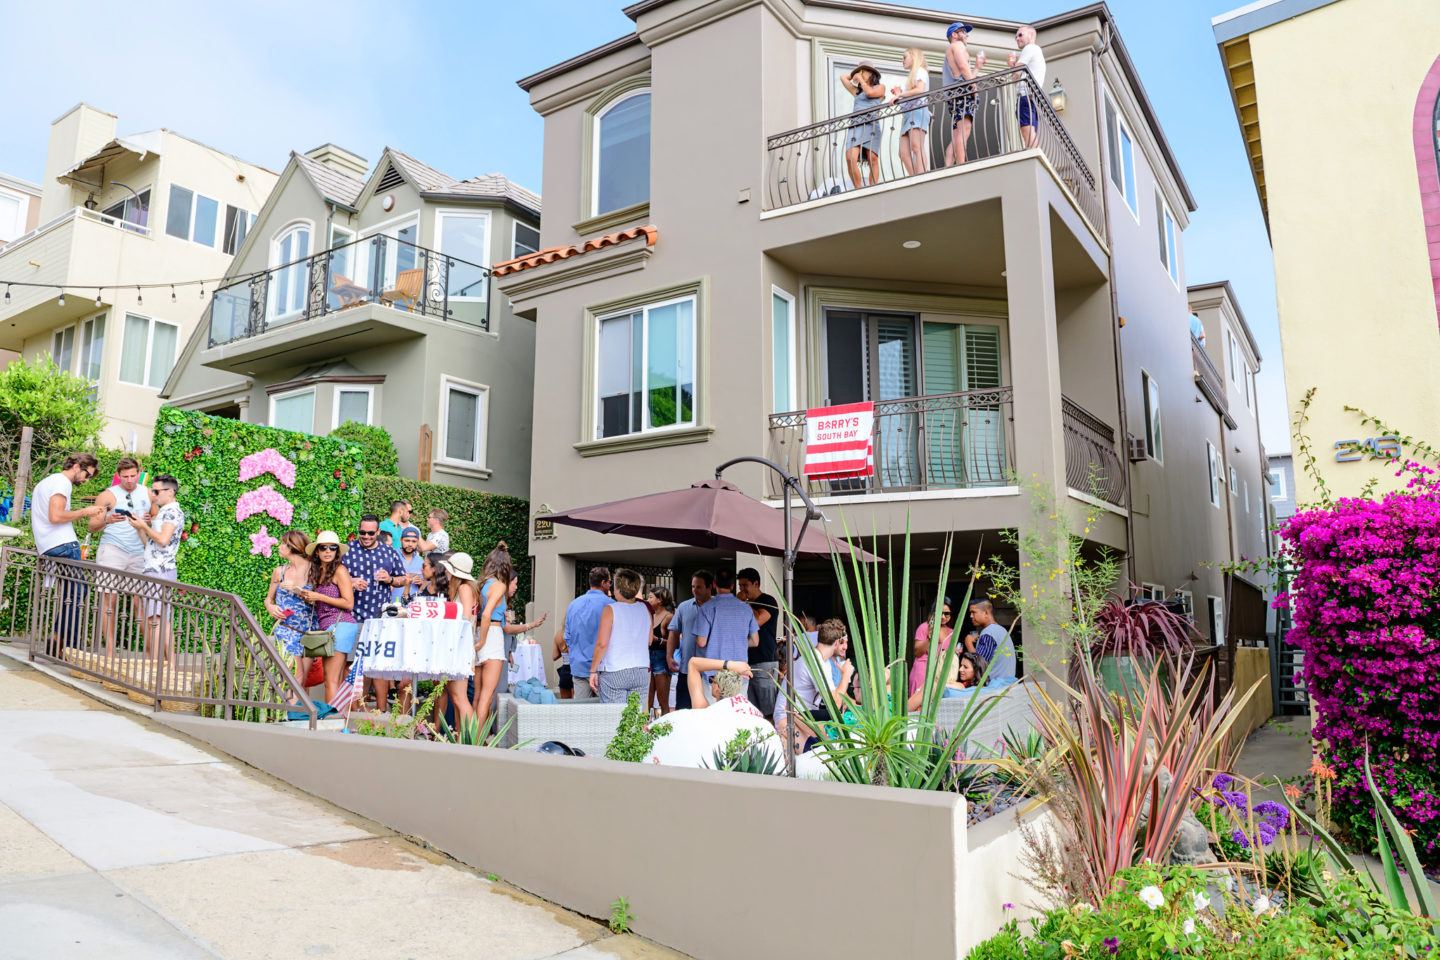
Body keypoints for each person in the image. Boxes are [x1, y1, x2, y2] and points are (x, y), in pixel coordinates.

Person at [30, 453, 102, 655]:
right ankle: (65, 645)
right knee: (78, 594)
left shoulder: (47, 481)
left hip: (48, 545)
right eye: (87, 474)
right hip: (63, 544)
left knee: (74, 593)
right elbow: (56, 516)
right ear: (78, 466)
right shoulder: (63, 483)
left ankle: (58, 640)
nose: (86, 480)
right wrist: (85, 512)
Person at [473, 543, 546, 722]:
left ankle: (470, 739)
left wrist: (478, 639)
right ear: (505, 566)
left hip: (479, 631)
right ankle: (477, 743)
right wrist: (482, 641)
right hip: (491, 635)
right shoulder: (498, 585)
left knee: (477, 695)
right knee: (487, 696)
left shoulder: (481, 584)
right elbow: (488, 613)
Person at [89, 456, 150, 658]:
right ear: (118, 475)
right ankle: (109, 651)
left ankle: (150, 653)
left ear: (139, 473)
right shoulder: (107, 495)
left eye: (133, 475)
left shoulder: (148, 493)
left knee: (140, 603)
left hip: (139, 552)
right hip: (113, 549)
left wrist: (151, 519)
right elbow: (92, 527)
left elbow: (159, 520)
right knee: (109, 600)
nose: (130, 480)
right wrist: (107, 519)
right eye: (125, 477)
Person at [344, 515, 405, 709]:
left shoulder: (389, 552)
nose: (366, 536)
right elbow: (334, 577)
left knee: (378, 665)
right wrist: (351, 582)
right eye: (363, 532)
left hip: (380, 618)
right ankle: (355, 711)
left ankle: (381, 710)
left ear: (378, 532)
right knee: (353, 664)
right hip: (353, 616)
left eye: (371, 533)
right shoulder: (348, 550)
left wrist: (389, 579)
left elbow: (403, 578)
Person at [128, 474, 183, 664]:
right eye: (153, 490)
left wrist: (145, 525)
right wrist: (140, 528)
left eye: (157, 491)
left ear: (170, 491)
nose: (153, 494)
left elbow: (163, 539)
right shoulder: (164, 512)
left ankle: (161, 666)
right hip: (155, 568)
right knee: (159, 619)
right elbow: (151, 544)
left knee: (158, 620)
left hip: (161, 571)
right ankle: (168, 666)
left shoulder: (171, 512)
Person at [589, 568, 652, 704]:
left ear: (618, 588)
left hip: (614, 669)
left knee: (615, 718)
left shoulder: (610, 610)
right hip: (641, 669)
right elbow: (649, 640)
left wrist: (593, 671)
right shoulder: (645, 610)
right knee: (635, 718)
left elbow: (602, 644)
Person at [694, 569, 758, 698]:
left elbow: (701, 642)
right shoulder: (745, 608)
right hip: (740, 672)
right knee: (737, 714)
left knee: (713, 715)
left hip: (714, 673)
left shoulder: (706, 608)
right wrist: (738, 642)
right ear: (733, 585)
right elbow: (755, 641)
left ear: (713, 584)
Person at [265, 530, 316, 673]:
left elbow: (320, 601)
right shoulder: (279, 571)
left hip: (308, 632)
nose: (279, 547)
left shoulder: (314, 571)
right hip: (285, 630)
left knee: (303, 681)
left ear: (293, 546)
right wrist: (270, 607)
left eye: (283, 544)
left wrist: (297, 590)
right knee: (293, 676)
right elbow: (269, 598)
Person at [562, 566, 613, 701]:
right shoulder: (611, 605)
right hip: (603, 668)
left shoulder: (573, 604)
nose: (610, 585)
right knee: (606, 712)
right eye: (609, 582)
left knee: (581, 712)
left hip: (579, 666)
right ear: (603, 583)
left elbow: (566, 636)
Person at [666, 571, 714, 710]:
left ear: (709, 587)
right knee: (683, 709)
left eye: (699, 587)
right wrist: (669, 656)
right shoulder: (684, 607)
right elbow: (674, 632)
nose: (695, 590)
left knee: (709, 712)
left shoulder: (718, 607)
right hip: (686, 669)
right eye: (693, 587)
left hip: (710, 671)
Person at [735, 567, 780, 717]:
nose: (742, 589)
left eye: (745, 585)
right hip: (745, 661)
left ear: (756, 583)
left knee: (767, 710)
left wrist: (745, 603)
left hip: (764, 661)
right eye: (740, 586)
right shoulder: (742, 604)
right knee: (750, 710)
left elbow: (758, 621)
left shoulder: (768, 601)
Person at [840, 61, 887, 189]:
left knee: (873, 158)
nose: (861, 73)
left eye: (864, 70)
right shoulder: (857, 92)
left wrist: (860, 78)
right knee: (850, 158)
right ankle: (858, 189)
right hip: (856, 124)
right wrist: (854, 74)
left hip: (872, 124)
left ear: (872, 73)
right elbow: (843, 78)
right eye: (860, 71)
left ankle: (873, 188)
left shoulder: (880, 87)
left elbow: (870, 93)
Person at [943, 22, 979, 166]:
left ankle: (949, 163)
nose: (966, 35)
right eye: (963, 31)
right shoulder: (957, 45)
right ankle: (961, 164)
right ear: (954, 35)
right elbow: (963, 67)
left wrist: (976, 68)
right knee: (964, 128)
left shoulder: (952, 48)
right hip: (962, 91)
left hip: (956, 92)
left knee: (960, 131)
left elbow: (963, 71)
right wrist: (974, 86)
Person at [893, 47, 931, 176]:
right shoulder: (912, 76)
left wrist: (901, 94)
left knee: (916, 146)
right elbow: (907, 99)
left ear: (913, 57)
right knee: (903, 153)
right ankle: (915, 176)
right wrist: (899, 94)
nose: (902, 60)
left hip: (918, 111)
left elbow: (920, 90)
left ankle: (921, 176)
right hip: (909, 114)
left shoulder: (920, 71)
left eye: (905, 57)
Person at [1009, 25, 1047, 149]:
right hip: (1033, 98)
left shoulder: (1030, 48)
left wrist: (1012, 66)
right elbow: (1017, 77)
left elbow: (1015, 76)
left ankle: (1034, 158)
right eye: (1016, 37)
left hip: (1025, 96)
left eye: (1020, 35)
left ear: (1031, 35)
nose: (1017, 38)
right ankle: (1035, 157)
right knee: (1032, 132)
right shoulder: (1037, 52)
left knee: (1028, 133)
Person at [966, 599, 1017, 681]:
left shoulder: (988, 633)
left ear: (986, 613)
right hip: (1005, 684)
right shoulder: (1001, 630)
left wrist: (968, 643)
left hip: (994, 688)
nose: (971, 616)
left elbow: (979, 667)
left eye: (973, 612)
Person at [647, 587, 675, 715]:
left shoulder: (669, 617)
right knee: (647, 698)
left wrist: (657, 640)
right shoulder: (649, 614)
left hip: (661, 658)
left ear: (660, 600)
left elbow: (674, 642)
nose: (648, 599)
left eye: (651, 597)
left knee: (662, 700)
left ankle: (665, 729)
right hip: (647, 658)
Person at [392, 526, 426, 603]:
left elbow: (425, 583)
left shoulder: (420, 560)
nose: (410, 544)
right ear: (401, 540)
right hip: (394, 602)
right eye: (407, 540)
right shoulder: (392, 555)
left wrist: (421, 582)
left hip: (414, 604)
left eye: (414, 541)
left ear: (417, 543)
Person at [553, 631, 573, 700]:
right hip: (578, 669)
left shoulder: (559, 634)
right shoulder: (579, 631)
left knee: (565, 703)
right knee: (579, 702)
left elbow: (554, 656)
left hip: (565, 670)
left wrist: (564, 652)